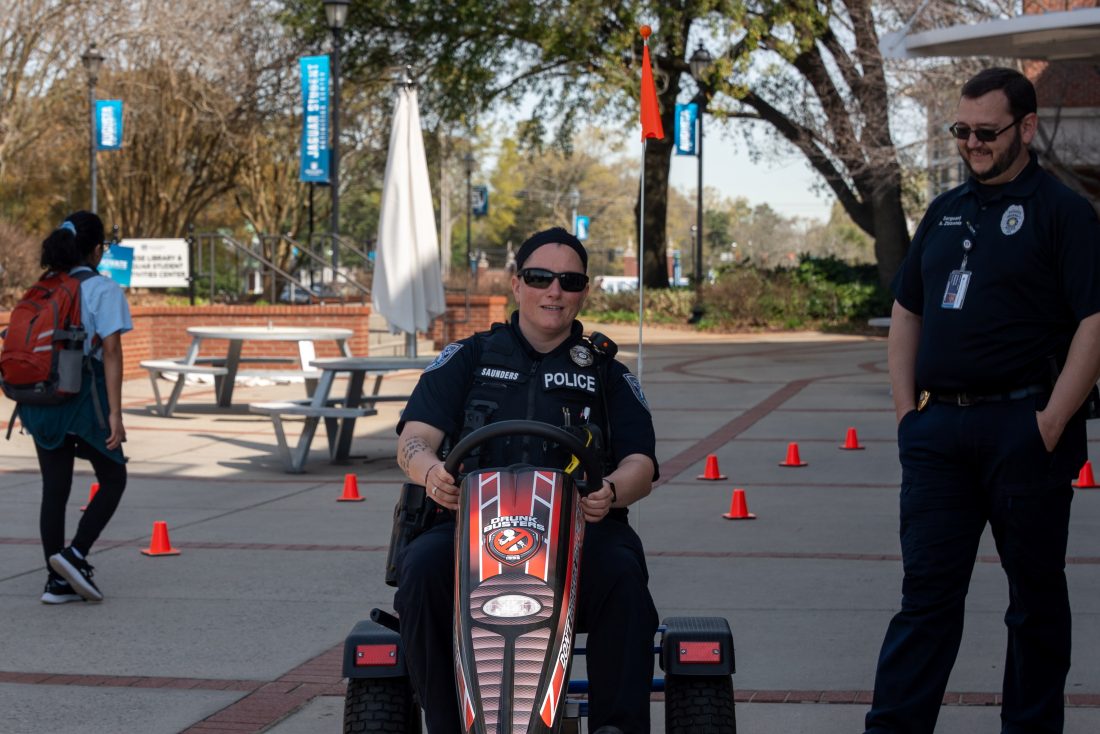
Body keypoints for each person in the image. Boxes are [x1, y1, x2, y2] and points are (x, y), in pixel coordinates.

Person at [865, 68, 1100, 733]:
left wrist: (1051, 421)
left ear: (1026, 128)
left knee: (1035, 602)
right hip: (939, 435)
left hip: (1022, 431)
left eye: (986, 132)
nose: (972, 144)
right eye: (961, 131)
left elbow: (1095, 320)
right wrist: (908, 415)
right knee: (926, 601)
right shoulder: (944, 212)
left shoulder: (1063, 211)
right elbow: (906, 311)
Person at [394, 227, 659, 733]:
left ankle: (617, 726)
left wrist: (612, 492)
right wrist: (430, 473)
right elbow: (413, 439)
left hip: (581, 533)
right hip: (469, 531)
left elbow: (640, 465)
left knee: (625, 578)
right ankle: (449, 725)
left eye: (568, 280)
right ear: (517, 284)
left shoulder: (609, 374)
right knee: (422, 567)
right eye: (539, 277)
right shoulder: (466, 358)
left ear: (584, 290)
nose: (553, 291)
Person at [18, 212, 132, 604]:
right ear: (97, 250)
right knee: (114, 477)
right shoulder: (103, 289)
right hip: (83, 403)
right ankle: (75, 554)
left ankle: (56, 583)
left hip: (40, 400)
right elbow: (112, 350)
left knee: (55, 489)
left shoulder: (44, 286)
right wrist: (116, 414)